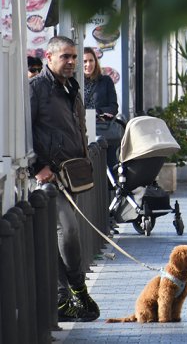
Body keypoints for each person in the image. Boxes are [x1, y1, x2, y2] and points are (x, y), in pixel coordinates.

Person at [30, 36, 99, 321]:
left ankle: (62, 298)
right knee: (67, 231)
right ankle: (77, 288)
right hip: (50, 178)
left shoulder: (71, 87)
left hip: (73, 175)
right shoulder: (37, 89)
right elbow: (23, 130)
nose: (71, 62)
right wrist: (37, 167)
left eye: (74, 57)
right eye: (66, 57)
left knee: (62, 236)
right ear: (49, 56)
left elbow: (78, 127)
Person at [82, 47, 119, 172]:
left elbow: (114, 107)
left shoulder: (106, 81)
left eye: (91, 60)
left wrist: (96, 112)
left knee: (109, 166)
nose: (88, 64)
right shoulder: (74, 82)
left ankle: (112, 189)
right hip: (82, 130)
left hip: (102, 128)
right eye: (84, 61)